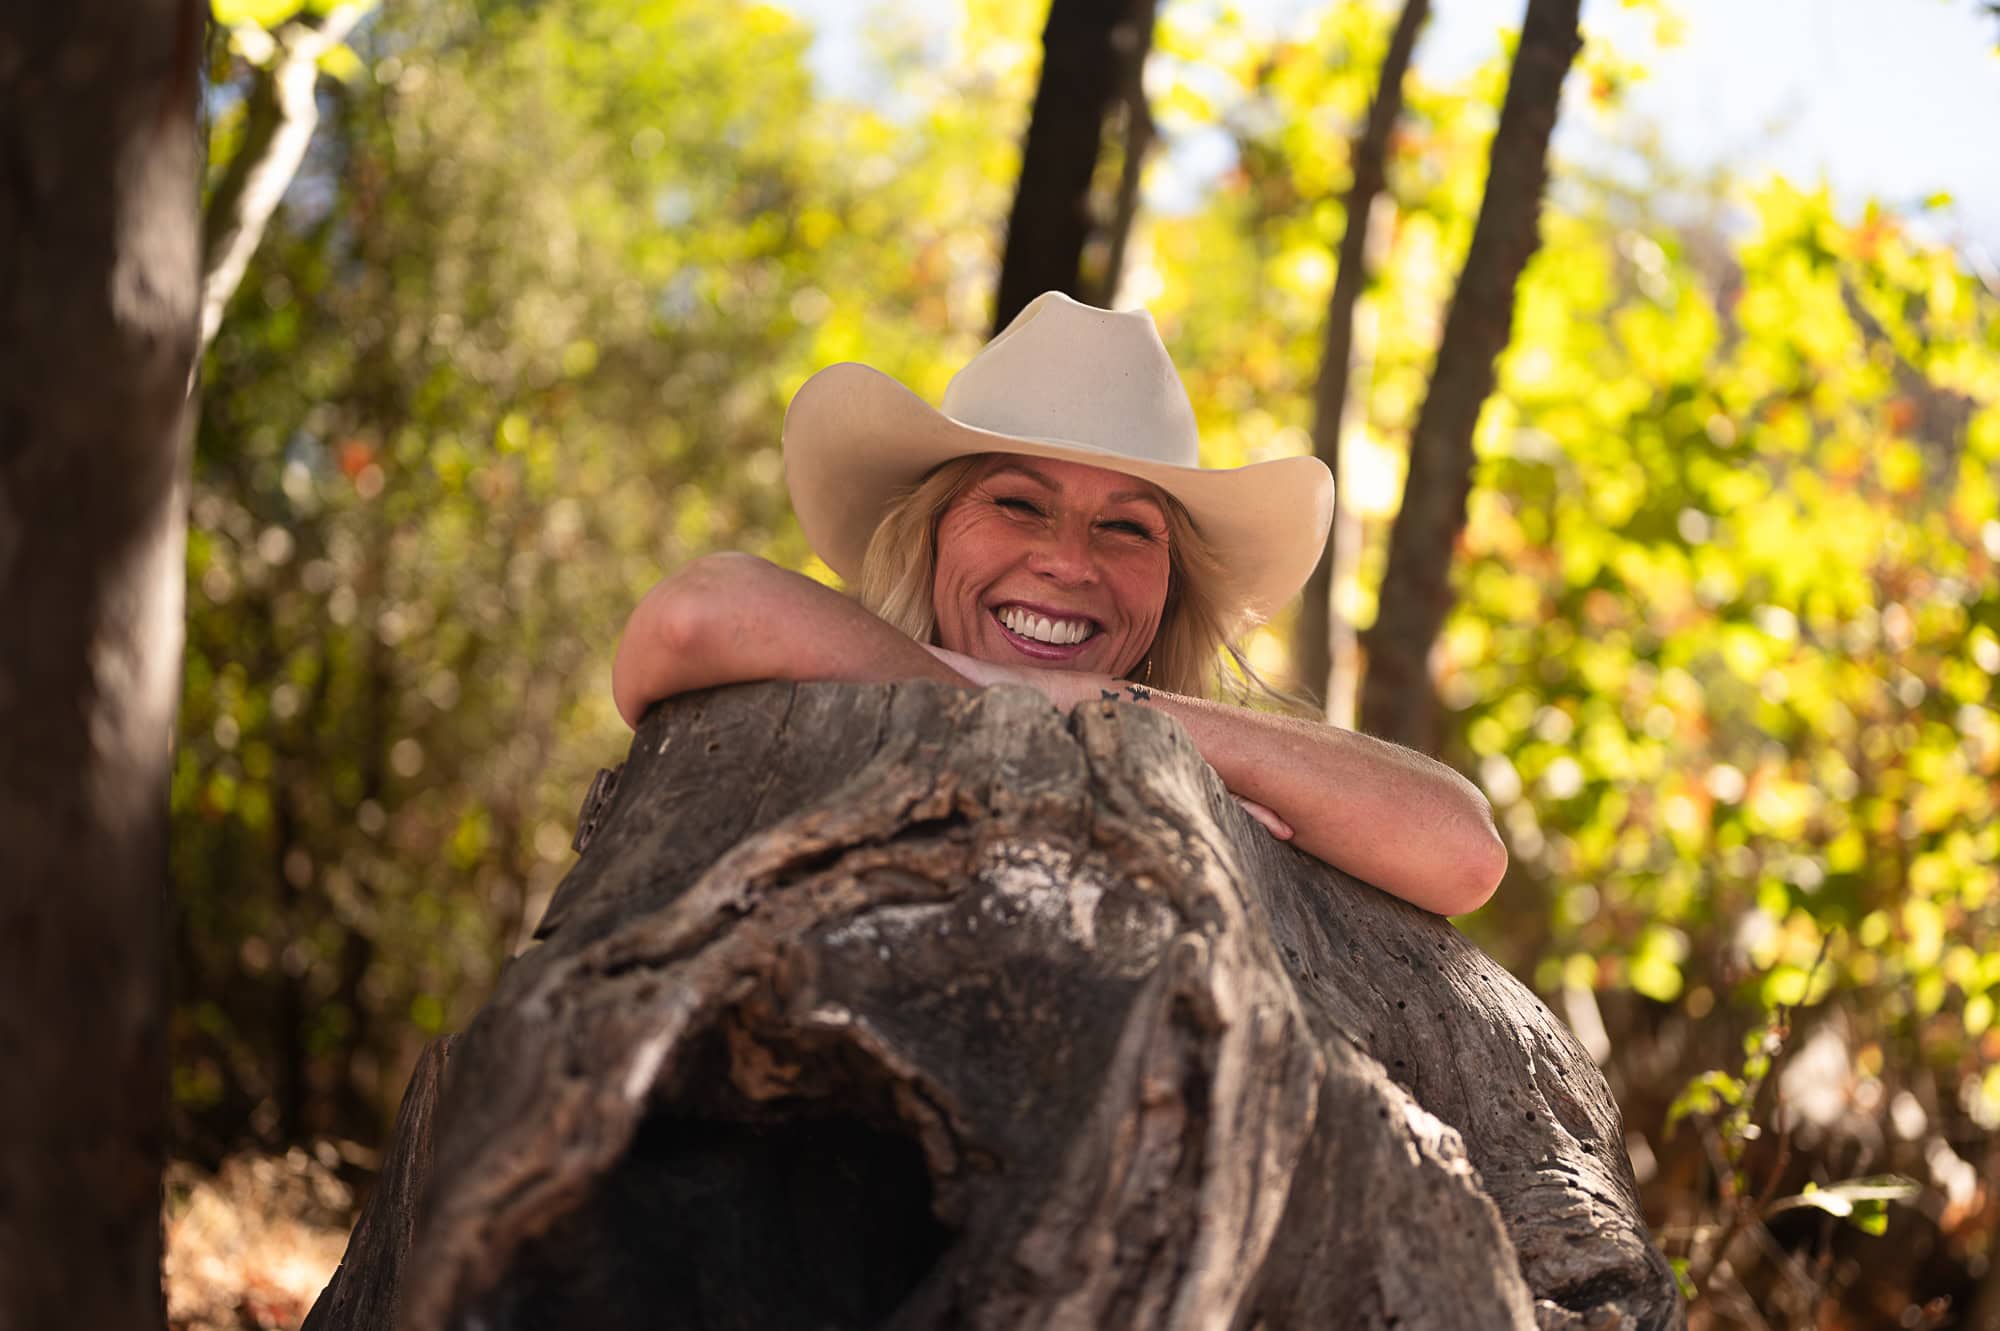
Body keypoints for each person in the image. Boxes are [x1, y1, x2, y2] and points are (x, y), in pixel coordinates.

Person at [612, 292, 1505, 915]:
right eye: (1017, 503)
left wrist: (1090, 710)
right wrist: (1023, 706)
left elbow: (1463, 851)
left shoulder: (1203, 760)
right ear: (928, 533)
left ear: (1170, 587)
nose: (1068, 562)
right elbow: (699, 609)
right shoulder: (796, 700)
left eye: (1126, 529)